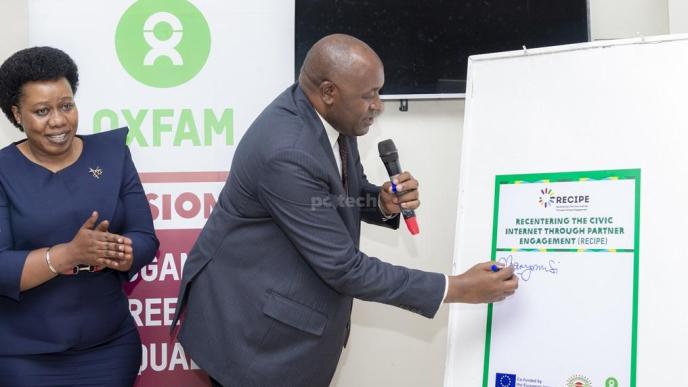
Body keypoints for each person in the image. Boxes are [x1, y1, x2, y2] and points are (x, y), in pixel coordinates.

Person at [174, 34, 518, 387]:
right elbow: (344, 267)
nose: (378, 105)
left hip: (283, 312)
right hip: (253, 338)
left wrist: (380, 203)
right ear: (328, 92)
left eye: (379, 92)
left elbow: (337, 193)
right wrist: (456, 288)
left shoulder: (332, 117)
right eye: (369, 95)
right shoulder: (286, 152)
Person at [0, 46, 159, 386]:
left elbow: (145, 238)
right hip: (24, 354)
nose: (58, 120)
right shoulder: (3, 171)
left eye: (66, 105)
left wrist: (112, 251)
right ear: (16, 114)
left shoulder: (113, 153)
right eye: (41, 111)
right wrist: (69, 255)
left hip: (109, 346)